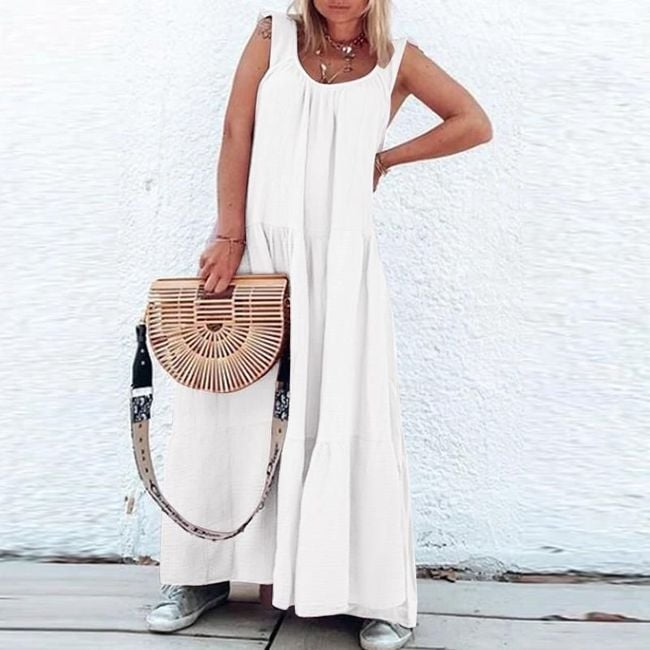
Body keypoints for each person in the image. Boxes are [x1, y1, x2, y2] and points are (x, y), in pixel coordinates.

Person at [145, 1, 491, 648]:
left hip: (342, 265)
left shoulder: (397, 58)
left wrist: (386, 159)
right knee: (227, 408)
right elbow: (236, 131)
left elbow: (473, 122)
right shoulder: (272, 36)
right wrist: (228, 233)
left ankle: (371, 591)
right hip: (260, 254)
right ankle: (200, 574)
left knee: (347, 412)